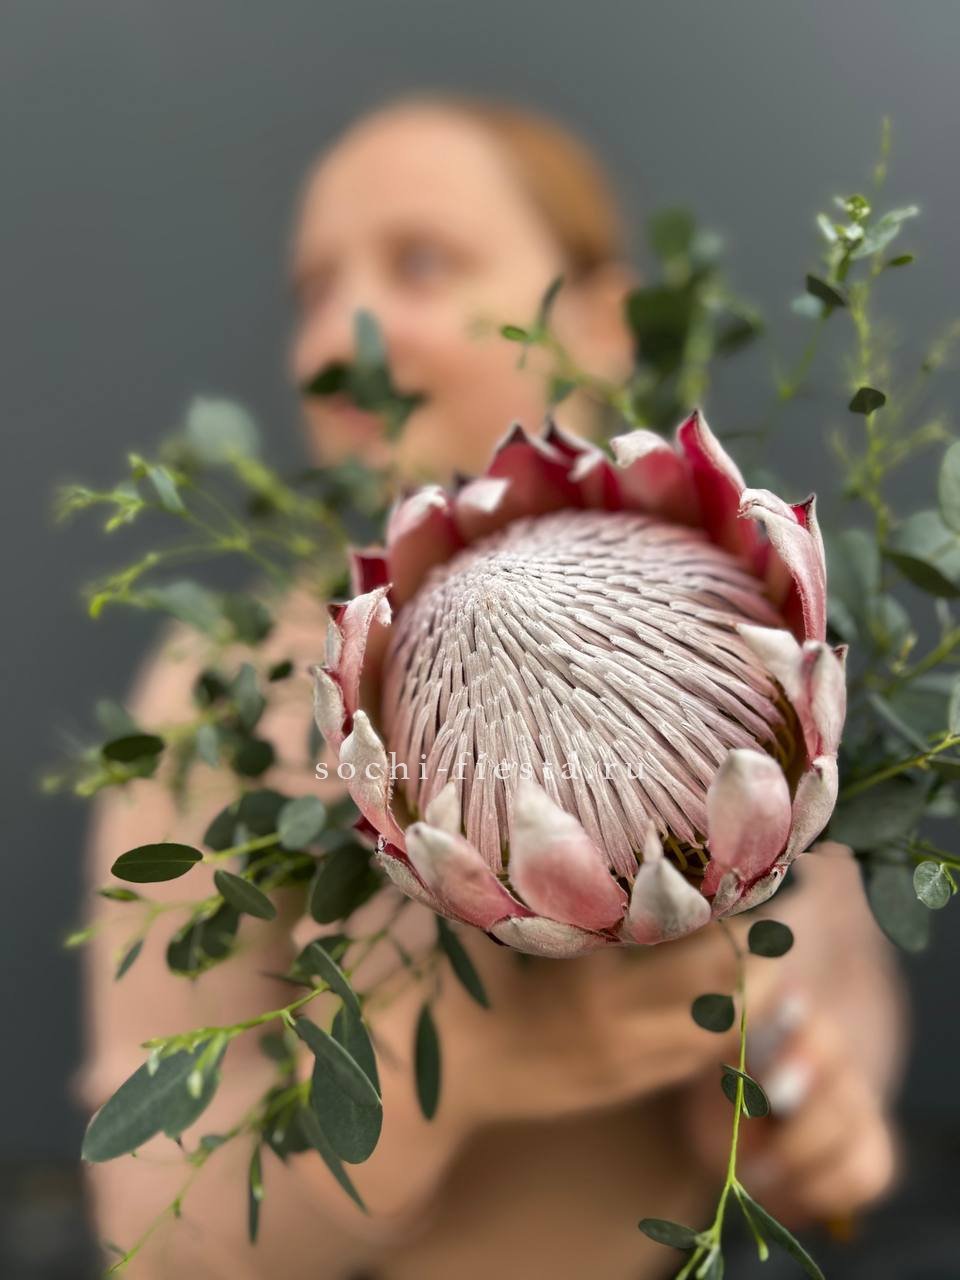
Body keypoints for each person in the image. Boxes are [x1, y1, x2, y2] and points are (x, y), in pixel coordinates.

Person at [79, 96, 905, 1279]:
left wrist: (817, 1123)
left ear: (606, 323)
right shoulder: (218, 699)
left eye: (422, 261)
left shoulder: (755, 624)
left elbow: (845, 981)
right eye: (312, 292)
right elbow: (151, 1234)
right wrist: (443, 1078)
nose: (332, 344)